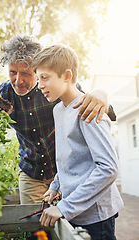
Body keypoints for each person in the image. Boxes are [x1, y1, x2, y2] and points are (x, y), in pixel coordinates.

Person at [0, 36, 115, 205]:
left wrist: (101, 94)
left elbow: (87, 101)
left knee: (64, 224)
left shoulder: (53, 87)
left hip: (64, 172)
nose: (18, 80)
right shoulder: (5, 93)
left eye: (25, 73)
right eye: (12, 72)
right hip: (31, 170)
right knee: (33, 225)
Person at [33, 44, 123, 240]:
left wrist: (64, 207)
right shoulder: (58, 110)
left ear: (66, 76)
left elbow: (109, 168)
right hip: (75, 211)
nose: (39, 85)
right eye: (38, 78)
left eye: (45, 77)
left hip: (96, 217)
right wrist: (55, 186)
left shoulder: (88, 108)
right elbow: (66, 157)